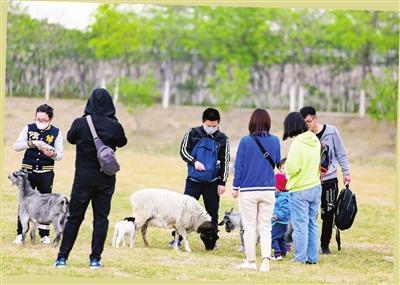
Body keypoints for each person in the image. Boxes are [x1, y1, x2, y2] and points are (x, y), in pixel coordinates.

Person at [54, 88, 127, 269]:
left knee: (74, 218)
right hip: (106, 179)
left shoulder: (81, 123)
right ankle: (95, 259)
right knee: (101, 219)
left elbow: (70, 138)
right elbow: (122, 142)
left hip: (83, 179)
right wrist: (113, 122)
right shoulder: (114, 125)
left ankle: (62, 258)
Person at [232, 108, 281, 272]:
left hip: (248, 190)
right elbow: (276, 162)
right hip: (268, 189)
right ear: (268, 122)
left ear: (252, 122)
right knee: (265, 226)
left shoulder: (245, 141)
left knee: (249, 227)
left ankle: (251, 261)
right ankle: (266, 262)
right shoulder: (275, 141)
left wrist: (234, 187)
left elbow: (239, 167)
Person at [173, 108, 229, 247]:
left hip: (213, 182)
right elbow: (183, 151)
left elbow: (225, 162)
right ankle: (177, 239)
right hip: (193, 181)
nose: (211, 128)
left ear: (218, 124)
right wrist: (194, 161)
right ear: (203, 122)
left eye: (214, 126)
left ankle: (211, 242)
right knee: (185, 210)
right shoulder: (192, 133)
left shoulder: (223, 139)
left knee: (212, 213)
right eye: (208, 125)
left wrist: (222, 182)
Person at [299, 106, 351, 255]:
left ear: (315, 118)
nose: (307, 125)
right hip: (310, 180)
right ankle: (310, 244)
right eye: (304, 123)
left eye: (309, 121)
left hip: (329, 180)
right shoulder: (304, 135)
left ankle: (325, 245)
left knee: (328, 213)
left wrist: (346, 172)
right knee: (310, 213)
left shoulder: (332, 131)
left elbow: (341, 153)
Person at [13, 104, 63, 245]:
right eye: (38, 118)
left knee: (45, 204)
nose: (40, 122)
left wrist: (52, 153)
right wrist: (31, 143)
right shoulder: (28, 128)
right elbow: (16, 146)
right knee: (24, 203)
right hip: (27, 172)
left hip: (46, 172)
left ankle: (44, 234)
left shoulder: (56, 132)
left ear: (50, 119)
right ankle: (20, 233)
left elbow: (60, 155)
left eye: (43, 120)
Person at [283, 112, 321, 264]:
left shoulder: (297, 144)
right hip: (315, 186)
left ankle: (300, 258)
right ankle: (312, 258)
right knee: (312, 223)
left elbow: (292, 168)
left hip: (300, 189)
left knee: (300, 226)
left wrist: (285, 168)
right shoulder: (314, 139)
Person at [271, 158, 290, 261]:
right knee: (281, 237)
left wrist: (276, 216)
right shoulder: (280, 195)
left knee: (272, 237)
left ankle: (277, 254)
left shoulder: (284, 198)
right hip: (281, 222)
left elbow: (285, 210)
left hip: (279, 221)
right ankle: (283, 252)